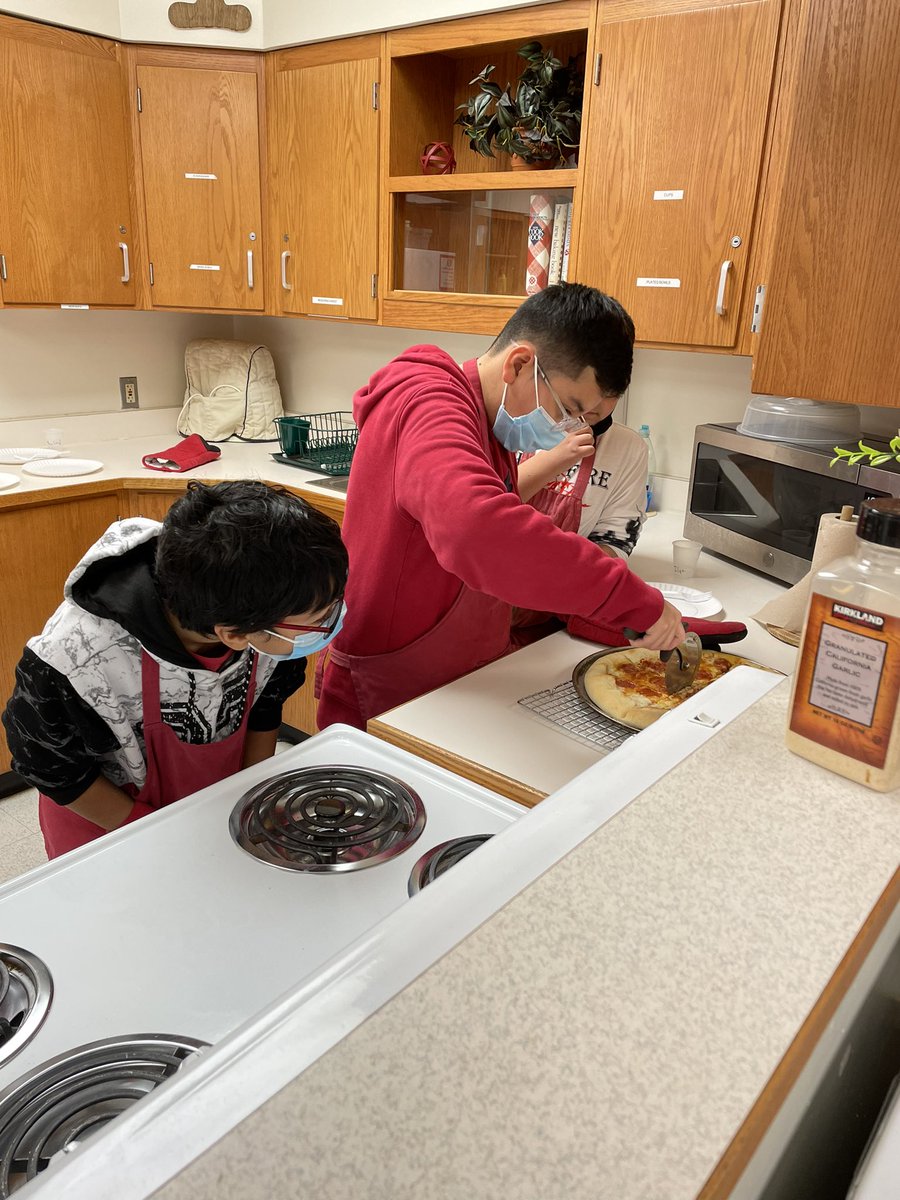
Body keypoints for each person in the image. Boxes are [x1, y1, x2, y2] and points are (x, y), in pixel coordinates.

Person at [316, 283, 684, 731]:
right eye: (569, 409)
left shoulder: (492, 424)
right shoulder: (427, 398)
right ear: (520, 364)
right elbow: (478, 530)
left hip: (459, 679)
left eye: (585, 421)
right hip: (391, 687)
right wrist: (631, 600)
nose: (569, 430)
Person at [2, 480, 348, 859]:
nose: (331, 622)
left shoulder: (263, 618)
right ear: (232, 634)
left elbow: (265, 705)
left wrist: (248, 799)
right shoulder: (75, 660)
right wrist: (151, 833)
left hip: (208, 802)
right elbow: (50, 766)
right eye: (318, 619)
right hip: (107, 822)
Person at [510, 407, 650, 641]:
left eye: (608, 392)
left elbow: (614, 543)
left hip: (559, 608)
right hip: (486, 597)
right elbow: (481, 508)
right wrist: (556, 458)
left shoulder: (627, 447)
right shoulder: (511, 425)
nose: (594, 402)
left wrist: (555, 585)